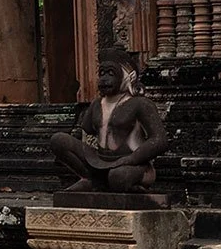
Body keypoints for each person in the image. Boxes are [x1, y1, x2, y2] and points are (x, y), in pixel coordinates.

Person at [47, 49, 170, 193]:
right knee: (58, 140)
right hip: (99, 160)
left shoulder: (140, 104)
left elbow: (160, 140)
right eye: (102, 73)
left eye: (111, 73)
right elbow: (86, 131)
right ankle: (90, 179)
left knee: (118, 177)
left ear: (126, 77)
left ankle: (132, 187)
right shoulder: (97, 104)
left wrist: (131, 159)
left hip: (132, 164)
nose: (104, 79)